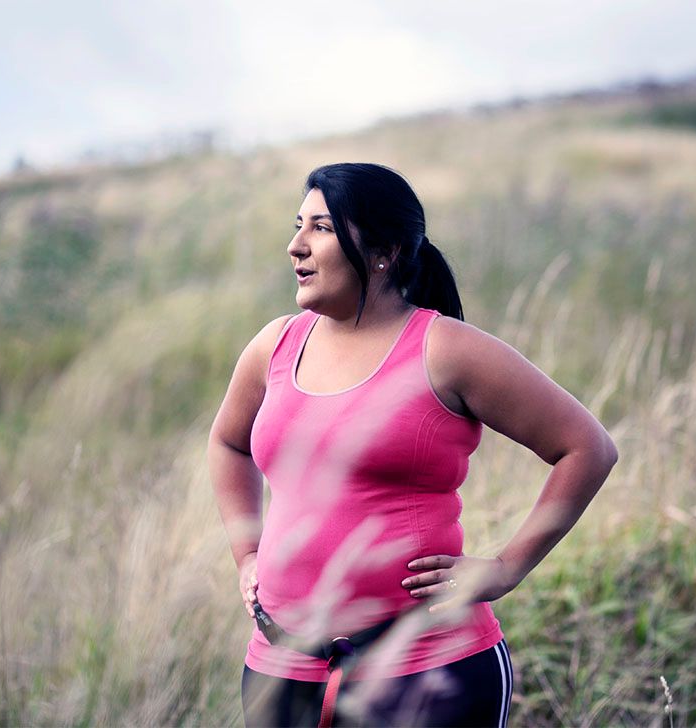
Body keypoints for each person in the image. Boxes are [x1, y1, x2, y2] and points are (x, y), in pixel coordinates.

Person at [208, 162, 618, 727]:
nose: (295, 246)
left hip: (429, 672)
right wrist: (247, 553)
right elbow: (229, 443)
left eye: (321, 228)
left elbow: (587, 447)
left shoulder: (446, 349)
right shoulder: (274, 346)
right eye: (297, 225)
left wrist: (504, 569)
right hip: (280, 668)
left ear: (385, 251)